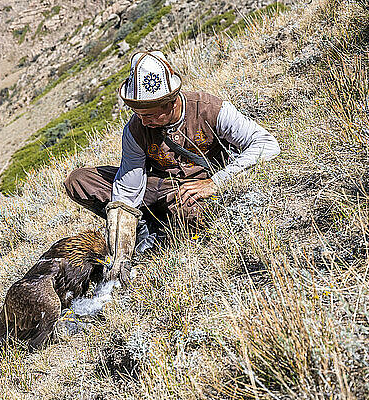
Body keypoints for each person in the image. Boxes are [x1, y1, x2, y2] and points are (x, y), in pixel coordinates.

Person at [64, 50, 280, 285]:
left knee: (189, 212)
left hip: (197, 190)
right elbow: (127, 190)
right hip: (156, 187)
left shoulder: (210, 109)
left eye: (149, 114)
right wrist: (122, 255)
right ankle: (144, 227)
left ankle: (166, 229)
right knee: (79, 180)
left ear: (170, 102)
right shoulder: (135, 129)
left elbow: (266, 145)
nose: (143, 121)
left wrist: (216, 183)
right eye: (138, 113)